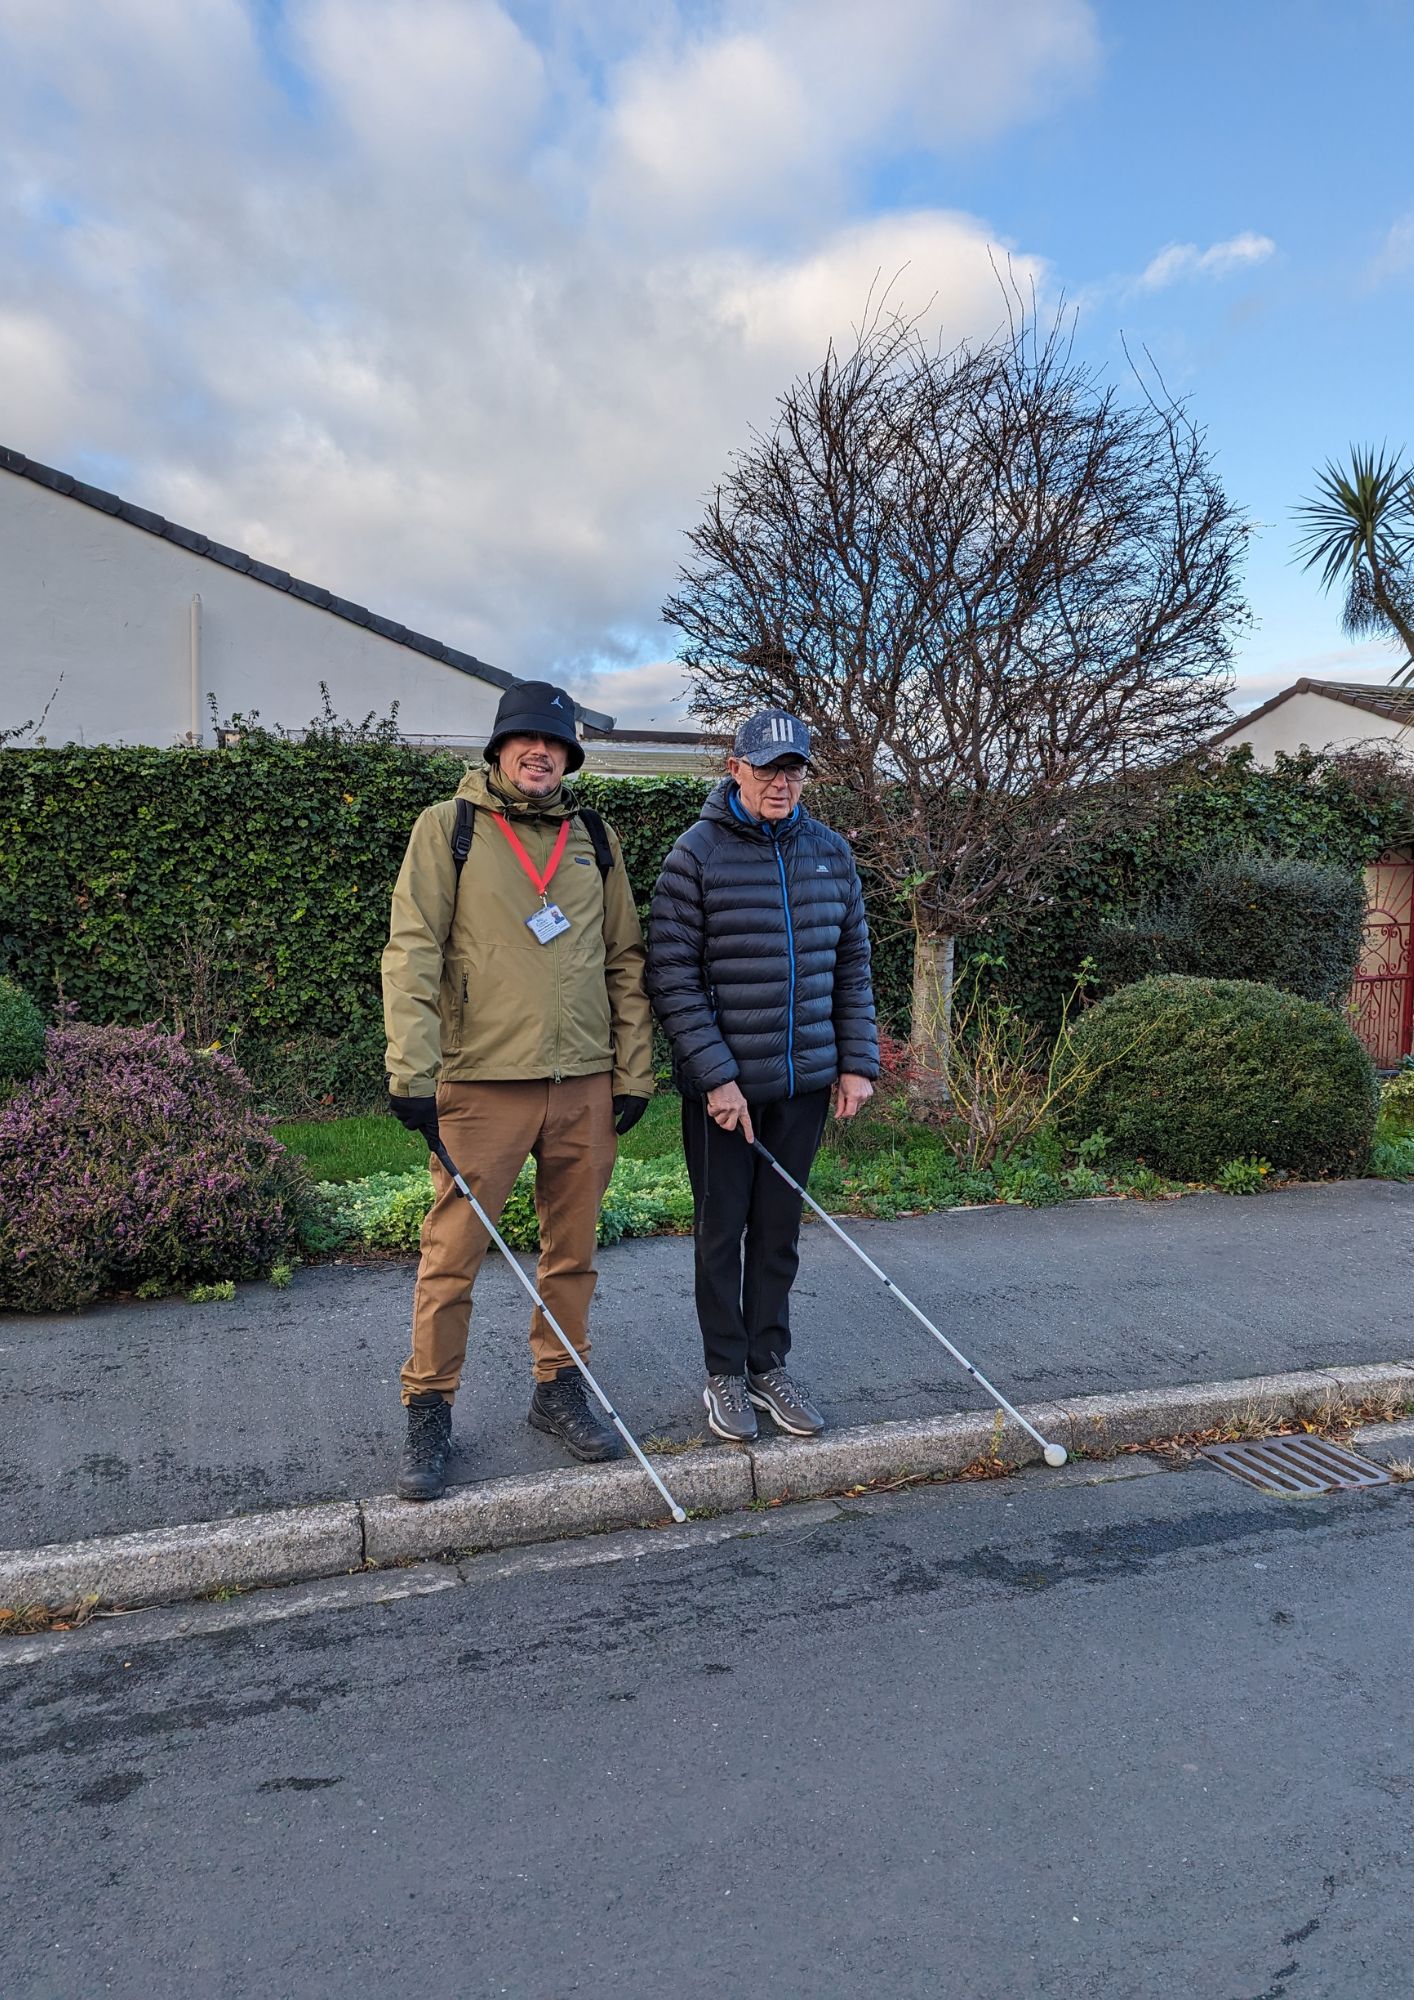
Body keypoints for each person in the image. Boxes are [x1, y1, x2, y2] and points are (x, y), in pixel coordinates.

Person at [382, 680, 654, 1501]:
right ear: (499, 750)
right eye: (526, 740)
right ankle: (428, 1408)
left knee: (571, 1256)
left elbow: (625, 961)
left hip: (583, 1085)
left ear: (570, 756)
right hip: (481, 1086)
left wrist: (633, 1070)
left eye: (557, 744)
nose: (542, 754)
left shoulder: (593, 838)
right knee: (452, 1257)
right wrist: (411, 1070)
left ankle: (558, 1389)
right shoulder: (449, 829)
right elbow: (413, 950)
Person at [647, 709, 879, 1442]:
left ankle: (766, 1363)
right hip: (725, 1092)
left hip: (803, 1083)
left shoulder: (829, 852)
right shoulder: (696, 854)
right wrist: (715, 1078)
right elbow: (672, 977)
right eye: (768, 768)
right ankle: (724, 1370)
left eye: (795, 769)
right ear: (736, 768)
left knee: (777, 1234)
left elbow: (851, 964)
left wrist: (855, 1061)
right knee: (722, 1235)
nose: (782, 783)